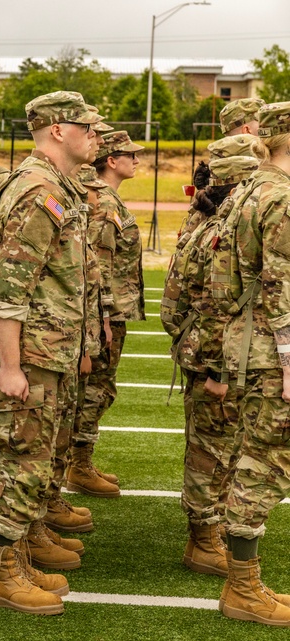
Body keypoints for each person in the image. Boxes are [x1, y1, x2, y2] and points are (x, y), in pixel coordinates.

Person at [0, 92, 102, 615]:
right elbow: (9, 285)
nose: (96, 135)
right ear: (56, 130)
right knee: (19, 460)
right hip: (27, 354)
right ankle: (4, 574)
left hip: (45, 350)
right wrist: (9, 366)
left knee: (33, 457)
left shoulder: (53, 187)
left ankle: (19, 558)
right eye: (88, 126)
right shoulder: (39, 191)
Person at [161, 148, 260, 577]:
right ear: (237, 187)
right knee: (212, 453)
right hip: (216, 361)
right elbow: (219, 305)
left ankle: (210, 530)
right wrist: (219, 371)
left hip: (210, 355)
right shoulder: (221, 234)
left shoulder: (208, 223)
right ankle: (203, 539)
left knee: (219, 449)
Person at [215, 102, 290, 625]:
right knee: (263, 465)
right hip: (270, 347)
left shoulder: (252, 188)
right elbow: (281, 285)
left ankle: (245, 581)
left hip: (249, 342)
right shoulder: (280, 196)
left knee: (253, 458)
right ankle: (243, 587)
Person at [66, 131, 145, 498]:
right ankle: (77, 465)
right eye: (130, 155)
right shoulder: (103, 202)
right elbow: (99, 264)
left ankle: (80, 460)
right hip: (105, 314)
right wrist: (103, 318)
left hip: (110, 312)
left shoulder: (108, 198)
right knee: (95, 388)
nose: (137, 160)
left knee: (99, 387)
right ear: (111, 161)